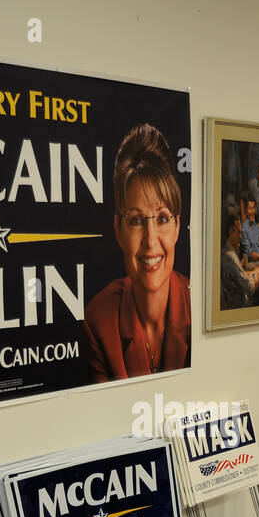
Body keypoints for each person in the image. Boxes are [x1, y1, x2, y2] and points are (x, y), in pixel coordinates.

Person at [82, 123, 190, 380]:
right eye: (136, 220)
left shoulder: (198, 309)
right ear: (118, 230)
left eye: (162, 218)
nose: (150, 241)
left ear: (177, 226)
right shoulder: (98, 321)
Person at [220, 211, 256, 309]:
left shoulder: (226, 252)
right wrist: (257, 280)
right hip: (239, 307)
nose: (241, 237)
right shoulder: (230, 256)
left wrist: (240, 266)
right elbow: (249, 288)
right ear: (231, 232)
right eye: (239, 232)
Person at [239, 197, 259, 268]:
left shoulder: (257, 228)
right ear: (246, 211)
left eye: (253, 208)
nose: (252, 211)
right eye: (250, 208)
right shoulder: (243, 228)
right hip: (251, 267)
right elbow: (248, 252)